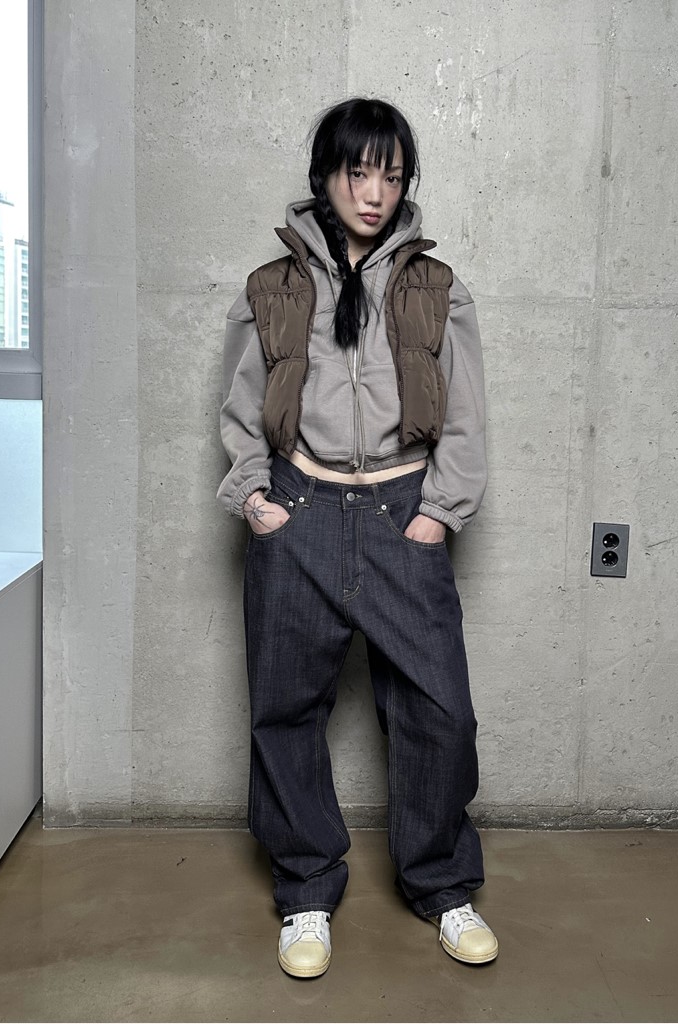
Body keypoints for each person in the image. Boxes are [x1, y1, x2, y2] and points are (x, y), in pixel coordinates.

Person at [218, 96, 496, 978]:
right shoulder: (271, 286)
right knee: (285, 710)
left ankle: (442, 886)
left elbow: (466, 416)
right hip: (298, 508)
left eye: (393, 175)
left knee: (439, 712)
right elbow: (240, 408)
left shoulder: (437, 287)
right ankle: (305, 891)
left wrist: (436, 514)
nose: (375, 193)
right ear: (326, 176)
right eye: (358, 171)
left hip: (399, 512)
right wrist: (255, 500)